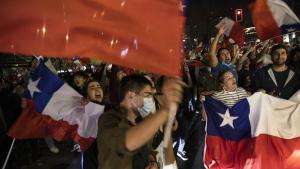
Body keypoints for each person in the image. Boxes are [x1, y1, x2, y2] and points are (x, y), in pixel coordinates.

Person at [97, 74, 183, 169]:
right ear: (130, 96)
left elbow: (148, 150)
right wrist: (166, 109)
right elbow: (128, 142)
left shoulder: (141, 120)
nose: (151, 100)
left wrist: (152, 162)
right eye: (147, 95)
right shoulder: (108, 119)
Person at [82, 79, 105, 169]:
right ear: (87, 96)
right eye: (92, 87)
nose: (96, 89)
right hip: (92, 160)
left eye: (98, 86)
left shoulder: (110, 109)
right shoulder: (83, 111)